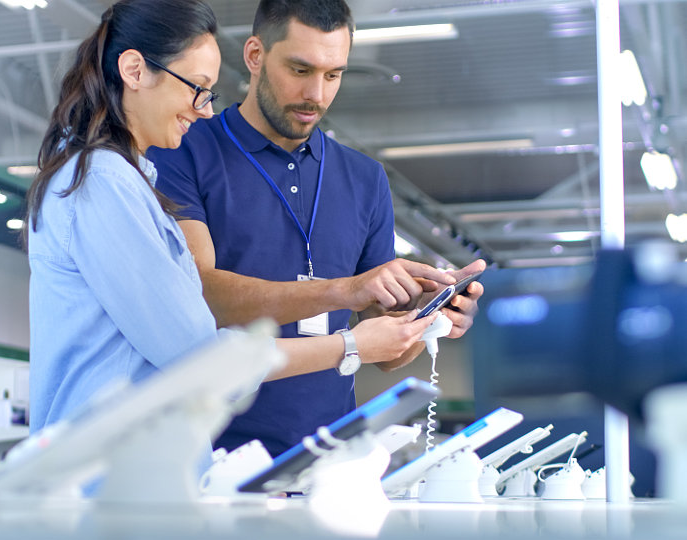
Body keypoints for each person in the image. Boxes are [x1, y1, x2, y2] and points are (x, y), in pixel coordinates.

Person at [24, 0, 444, 435]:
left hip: (152, 467)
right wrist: (348, 342)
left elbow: (192, 340)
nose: (204, 108)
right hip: (116, 472)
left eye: (333, 75)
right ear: (134, 71)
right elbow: (199, 352)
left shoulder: (127, 183)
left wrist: (422, 315)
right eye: (196, 87)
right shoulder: (105, 183)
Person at [148, 0, 485, 457]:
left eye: (333, 75)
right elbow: (200, 294)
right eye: (300, 69)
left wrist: (427, 322)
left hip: (326, 459)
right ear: (254, 55)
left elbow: (381, 350)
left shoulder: (365, 179)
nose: (317, 95)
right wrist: (343, 291)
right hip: (210, 455)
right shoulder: (184, 149)